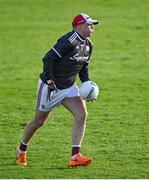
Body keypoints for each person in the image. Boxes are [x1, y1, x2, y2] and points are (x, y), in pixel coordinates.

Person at [16, 13, 98, 167]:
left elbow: (83, 67)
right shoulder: (68, 41)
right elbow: (48, 58)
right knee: (39, 121)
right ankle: (21, 150)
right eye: (89, 24)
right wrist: (49, 80)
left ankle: (75, 156)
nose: (92, 27)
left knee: (82, 115)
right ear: (79, 26)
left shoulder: (89, 45)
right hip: (51, 86)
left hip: (69, 87)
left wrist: (88, 86)